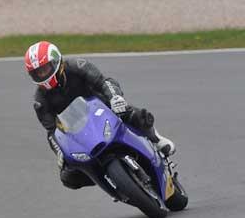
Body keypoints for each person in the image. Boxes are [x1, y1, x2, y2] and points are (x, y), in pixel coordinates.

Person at [24, 41, 176, 190]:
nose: (42, 74)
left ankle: (157, 140)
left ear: (56, 61)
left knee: (139, 116)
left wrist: (115, 97)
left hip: (104, 109)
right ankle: (107, 179)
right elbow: (52, 132)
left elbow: (104, 82)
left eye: (45, 69)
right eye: (37, 72)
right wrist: (59, 151)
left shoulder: (78, 66)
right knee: (68, 176)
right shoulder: (40, 101)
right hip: (78, 132)